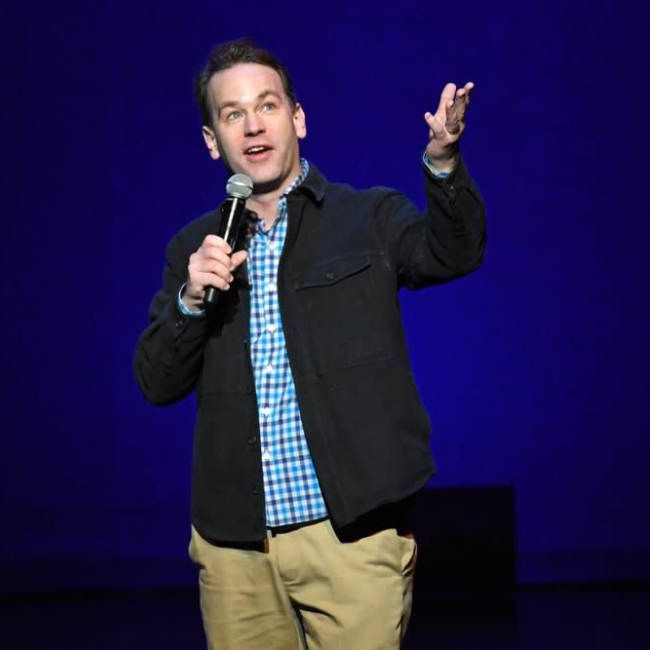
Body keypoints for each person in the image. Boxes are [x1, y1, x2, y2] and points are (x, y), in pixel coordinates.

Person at [133, 38, 485, 649]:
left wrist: (443, 163)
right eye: (233, 114)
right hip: (236, 551)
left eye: (267, 106)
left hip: (349, 539)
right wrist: (190, 302)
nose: (253, 125)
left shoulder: (365, 218)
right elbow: (156, 382)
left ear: (297, 118)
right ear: (213, 140)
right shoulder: (195, 248)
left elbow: (453, 252)